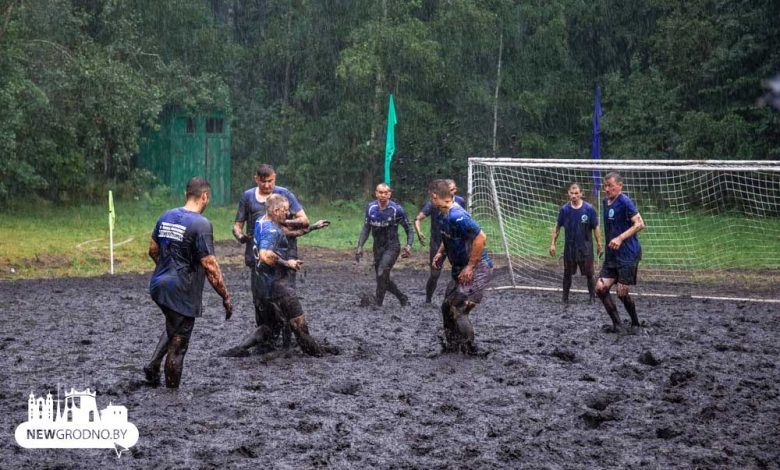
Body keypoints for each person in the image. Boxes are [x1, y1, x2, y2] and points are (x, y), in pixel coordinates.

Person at [144, 177, 233, 388]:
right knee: (179, 345)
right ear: (205, 196)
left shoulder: (166, 215)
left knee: (174, 323)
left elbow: (152, 250)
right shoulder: (201, 224)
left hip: (158, 286)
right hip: (181, 290)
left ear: (186, 194)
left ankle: (153, 366)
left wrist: (167, 269)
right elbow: (210, 266)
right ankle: (171, 395)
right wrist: (226, 296)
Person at [222, 194, 326, 357]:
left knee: (270, 326)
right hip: (280, 286)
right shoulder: (272, 231)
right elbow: (265, 255)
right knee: (300, 327)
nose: (288, 213)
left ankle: (240, 348)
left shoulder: (262, 222)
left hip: (263, 286)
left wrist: (313, 226)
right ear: (276, 211)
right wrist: (287, 263)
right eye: (285, 210)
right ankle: (318, 355)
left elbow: (290, 232)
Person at [233, 164, 313, 337]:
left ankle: (287, 338)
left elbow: (304, 220)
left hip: (285, 252)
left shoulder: (285, 194)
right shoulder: (248, 197)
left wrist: (282, 222)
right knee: (261, 299)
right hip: (259, 255)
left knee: (285, 295)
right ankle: (266, 337)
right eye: (263, 182)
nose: (267, 186)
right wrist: (240, 236)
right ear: (256, 179)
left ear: (274, 178)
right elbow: (237, 226)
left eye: (270, 181)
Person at [429, 179, 493, 353]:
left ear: (434, 196)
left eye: (430, 197)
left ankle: (470, 350)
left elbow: (481, 237)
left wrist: (470, 266)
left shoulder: (458, 215)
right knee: (446, 306)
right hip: (460, 269)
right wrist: (440, 252)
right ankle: (453, 346)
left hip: (477, 268)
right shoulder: (443, 214)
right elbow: (448, 236)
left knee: (459, 308)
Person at [595, 172, 646, 333]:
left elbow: (640, 224)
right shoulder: (605, 202)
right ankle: (618, 325)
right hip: (612, 256)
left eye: (610, 185)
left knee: (622, 293)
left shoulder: (625, 202)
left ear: (620, 185)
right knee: (600, 288)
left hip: (628, 255)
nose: (607, 189)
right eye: (605, 186)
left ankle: (635, 323)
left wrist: (620, 238)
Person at [356, 183, 414, 307]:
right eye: (380, 192)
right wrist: (360, 246)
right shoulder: (370, 208)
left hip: (392, 246)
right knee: (381, 278)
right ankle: (402, 297)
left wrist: (409, 245)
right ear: (376, 193)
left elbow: (408, 228)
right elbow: (366, 228)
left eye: (385, 193)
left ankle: (378, 303)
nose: (383, 195)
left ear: (390, 194)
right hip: (377, 247)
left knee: (382, 272)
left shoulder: (396, 210)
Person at [549, 182, 603, 304]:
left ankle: (592, 297)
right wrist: (553, 243)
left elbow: (596, 228)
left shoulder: (589, 209)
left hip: (585, 248)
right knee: (567, 274)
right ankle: (565, 298)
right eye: (571, 193)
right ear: (568, 193)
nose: (574, 196)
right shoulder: (564, 210)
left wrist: (599, 244)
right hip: (570, 249)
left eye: (576, 193)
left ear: (581, 194)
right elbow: (557, 227)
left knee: (590, 274)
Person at [414, 179, 466, 304]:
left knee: (459, 272)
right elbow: (417, 219)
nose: (454, 192)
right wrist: (419, 231)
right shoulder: (433, 203)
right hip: (437, 243)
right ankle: (428, 299)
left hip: (454, 242)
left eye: (455, 189)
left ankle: (456, 300)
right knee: (435, 274)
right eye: (451, 190)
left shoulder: (460, 201)